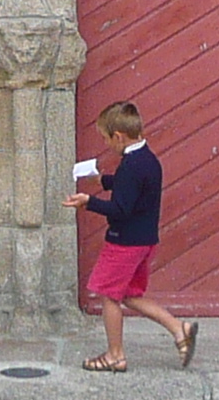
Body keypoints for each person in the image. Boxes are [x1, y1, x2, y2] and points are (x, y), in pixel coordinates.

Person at [72, 101, 192, 373]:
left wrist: (88, 201)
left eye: (106, 139)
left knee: (108, 295)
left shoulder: (131, 165)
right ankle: (179, 329)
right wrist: (104, 182)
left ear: (119, 137)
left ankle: (115, 355)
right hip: (144, 240)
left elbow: (120, 208)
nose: (106, 144)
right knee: (128, 294)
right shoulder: (147, 159)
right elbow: (132, 186)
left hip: (124, 242)